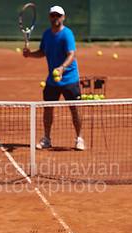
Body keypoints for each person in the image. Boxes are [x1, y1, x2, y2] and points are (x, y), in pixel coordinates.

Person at [23, 5, 85, 151]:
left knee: (74, 109)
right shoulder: (47, 35)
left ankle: (79, 138)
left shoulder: (67, 34)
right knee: (48, 108)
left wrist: (62, 68)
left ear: (63, 17)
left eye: (58, 15)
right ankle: (47, 138)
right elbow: (43, 51)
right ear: (50, 17)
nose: (55, 18)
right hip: (52, 80)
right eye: (53, 15)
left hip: (69, 79)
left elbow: (71, 54)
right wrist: (30, 54)